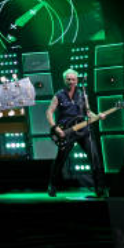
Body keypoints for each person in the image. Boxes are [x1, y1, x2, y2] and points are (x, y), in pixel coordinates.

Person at [45, 68, 106, 197]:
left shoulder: (83, 95)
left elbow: (88, 112)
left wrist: (98, 115)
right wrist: (55, 128)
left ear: (77, 81)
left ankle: (99, 188)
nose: (71, 81)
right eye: (68, 79)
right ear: (64, 80)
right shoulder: (59, 95)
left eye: (73, 79)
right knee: (61, 160)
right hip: (67, 132)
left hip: (83, 130)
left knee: (94, 158)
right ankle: (52, 185)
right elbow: (49, 112)